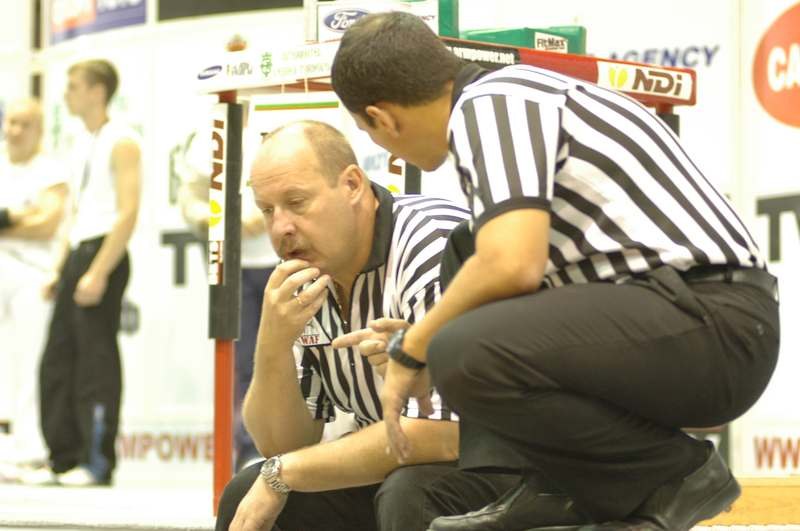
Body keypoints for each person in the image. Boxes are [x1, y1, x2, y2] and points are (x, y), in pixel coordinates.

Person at [330, 11, 780, 531]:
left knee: (460, 343)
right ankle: (545, 482)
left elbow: (511, 264)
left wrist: (415, 346)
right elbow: (504, 265)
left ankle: (675, 475)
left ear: (381, 118)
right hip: (686, 315)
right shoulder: (513, 96)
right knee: (464, 253)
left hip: (718, 324)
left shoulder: (493, 105)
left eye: (371, 134)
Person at [215, 120, 523, 531]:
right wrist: (272, 341)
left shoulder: (430, 244)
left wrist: (284, 473)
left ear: (353, 185)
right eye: (268, 210)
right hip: (401, 466)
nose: (280, 228)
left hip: (507, 467)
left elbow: (439, 435)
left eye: (297, 202)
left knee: (409, 491)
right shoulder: (308, 268)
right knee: (247, 491)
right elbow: (283, 444)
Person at [23, 59, 141, 487]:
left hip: (102, 253)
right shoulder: (80, 141)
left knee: (96, 361)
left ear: (96, 91)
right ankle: (63, 457)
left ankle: (97, 461)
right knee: (57, 359)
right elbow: (75, 211)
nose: (67, 94)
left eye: (73, 86)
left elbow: (127, 213)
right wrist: (61, 268)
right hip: (76, 253)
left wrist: (98, 271)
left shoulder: (123, 140)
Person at [175, 126, 280, 471]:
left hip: (290, 259)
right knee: (243, 362)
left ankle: (293, 448)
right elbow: (190, 202)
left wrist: (271, 214)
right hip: (235, 265)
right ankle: (251, 449)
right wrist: (224, 219)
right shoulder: (213, 132)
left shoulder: (291, 115)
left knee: (300, 360)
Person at [0, 99, 68, 478]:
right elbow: (35, 216)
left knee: (30, 362)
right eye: (10, 122)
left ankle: (29, 450)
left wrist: (5, 219)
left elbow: (47, 223)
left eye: (23, 124)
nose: (13, 131)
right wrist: (21, 214)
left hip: (32, 273)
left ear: (39, 130)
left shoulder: (51, 169)